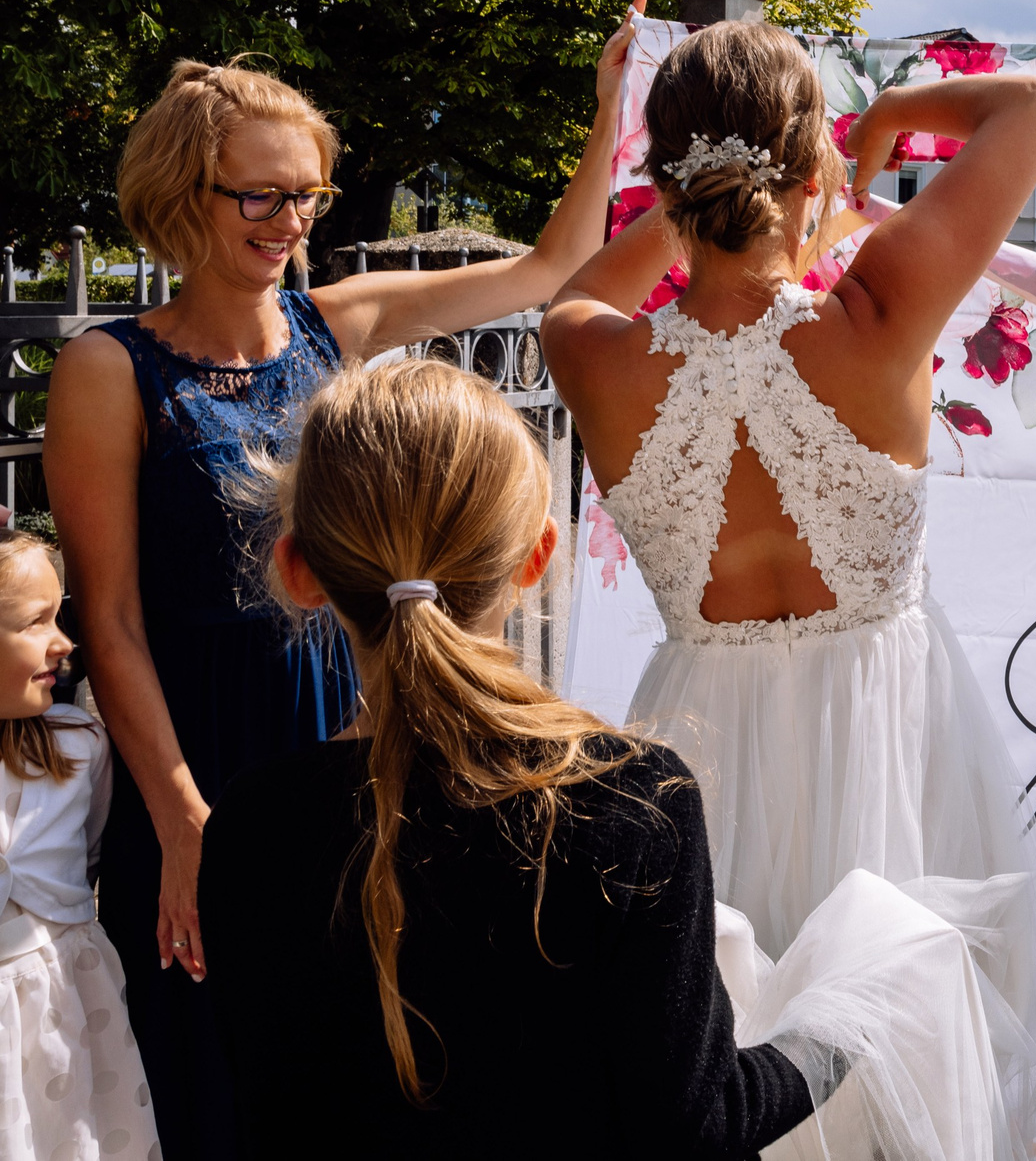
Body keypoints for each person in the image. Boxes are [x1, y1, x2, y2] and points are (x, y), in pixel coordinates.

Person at [42, 14, 635, 1156]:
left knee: (356, 1047)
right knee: (209, 1062)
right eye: (258, 196)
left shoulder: (337, 324)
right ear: (181, 195)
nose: (292, 220)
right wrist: (181, 824)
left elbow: (548, 269)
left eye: (306, 193)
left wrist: (610, 111)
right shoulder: (107, 368)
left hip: (348, 735)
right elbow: (107, 620)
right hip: (195, 745)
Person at [541, 21, 1036, 1157]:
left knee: (718, 1062)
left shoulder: (590, 351)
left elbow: (587, 283)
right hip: (888, 735)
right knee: (899, 1055)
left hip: (700, 744)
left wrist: (695, 214)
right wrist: (882, 122)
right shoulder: (878, 316)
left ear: (663, 180)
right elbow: (1033, 105)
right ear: (812, 165)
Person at [196, 358, 855, 1158]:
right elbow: (696, 1123)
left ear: (298, 570)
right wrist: (835, 1036)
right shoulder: (630, 798)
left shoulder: (251, 823)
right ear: (534, 561)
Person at [0, 529, 160, 1161]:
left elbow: (88, 853)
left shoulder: (80, 746)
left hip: (68, 1016)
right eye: (38, 621)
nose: (65, 643)